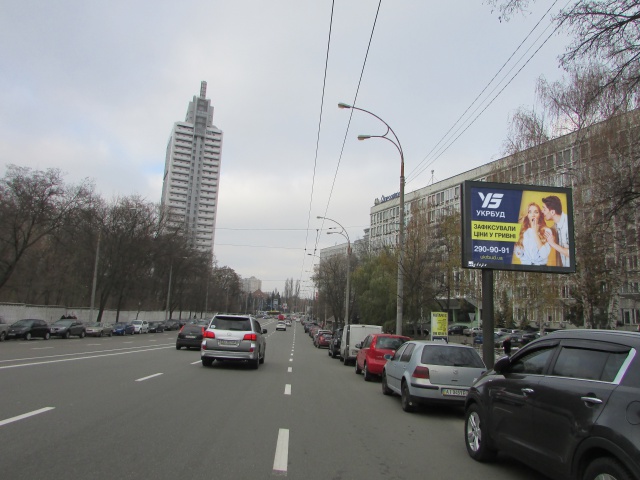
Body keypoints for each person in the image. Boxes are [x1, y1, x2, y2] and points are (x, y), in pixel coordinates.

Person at [541, 195, 570, 267]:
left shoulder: (568, 225)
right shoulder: (556, 224)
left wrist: (552, 243)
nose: (542, 211)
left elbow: (571, 253)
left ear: (552, 212)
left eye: (544, 209)